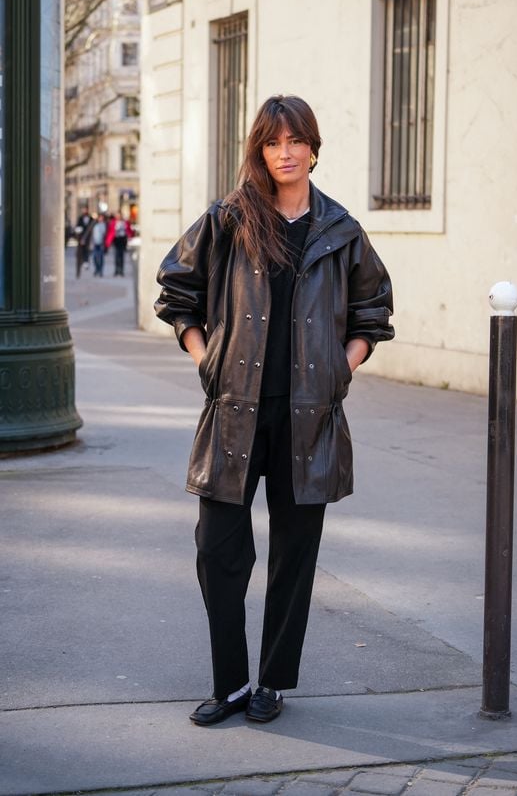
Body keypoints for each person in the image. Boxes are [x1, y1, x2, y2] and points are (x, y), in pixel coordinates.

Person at [154, 95, 394, 727]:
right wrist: (205, 356)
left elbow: (373, 309)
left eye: (295, 141)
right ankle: (230, 683)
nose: (285, 153)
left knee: (294, 554)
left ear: (313, 148)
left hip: (307, 419)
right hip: (235, 410)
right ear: (259, 151)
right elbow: (177, 290)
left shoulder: (340, 230)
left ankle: (273, 682)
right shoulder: (229, 219)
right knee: (218, 551)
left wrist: (343, 364)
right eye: (272, 142)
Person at [75, 206, 94, 278]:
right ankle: (78, 271)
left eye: (85, 209)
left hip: (88, 239)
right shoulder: (80, 218)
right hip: (81, 239)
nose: (84, 211)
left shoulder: (91, 219)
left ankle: (86, 261)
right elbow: (77, 228)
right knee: (80, 253)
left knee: (87, 250)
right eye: (83, 209)